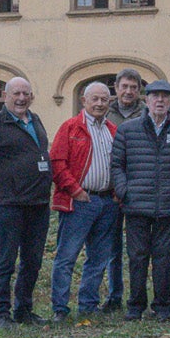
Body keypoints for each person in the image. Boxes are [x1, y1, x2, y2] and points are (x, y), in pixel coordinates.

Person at [110, 79, 170, 322]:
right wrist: (124, 190)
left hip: (169, 206)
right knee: (137, 257)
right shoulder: (128, 130)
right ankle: (135, 306)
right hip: (137, 205)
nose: (160, 100)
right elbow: (117, 165)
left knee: (164, 259)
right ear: (146, 100)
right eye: (155, 96)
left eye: (165, 97)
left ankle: (162, 307)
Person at [0, 77, 53, 325]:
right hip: (8, 204)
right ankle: (0, 313)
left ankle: (24, 310)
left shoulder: (36, 120)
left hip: (38, 204)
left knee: (33, 261)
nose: (21, 98)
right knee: (6, 261)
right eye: (16, 93)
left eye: (26, 94)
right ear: (4, 95)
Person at [48, 82, 120, 320]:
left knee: (98, 258)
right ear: (84, 101)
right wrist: (75, 190)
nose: (100, 104)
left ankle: (88, 306)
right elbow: (57, 163)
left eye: (104, 100)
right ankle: (60, 309)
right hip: (79, 201)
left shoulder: (112, 130)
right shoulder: (70, 128)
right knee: (67, 257)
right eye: (95, 99)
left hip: (107, 202)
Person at [101, 69, 148, 311]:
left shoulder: (147, 113)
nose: (128, 91)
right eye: (124, 86)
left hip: (139, 190)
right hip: (110, 190)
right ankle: (114, 295)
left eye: (133, 87)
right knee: (113, 246)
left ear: (139, 90)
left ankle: (138, 295)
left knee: (138, 248)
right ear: (116, 88)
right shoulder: (103, 112)